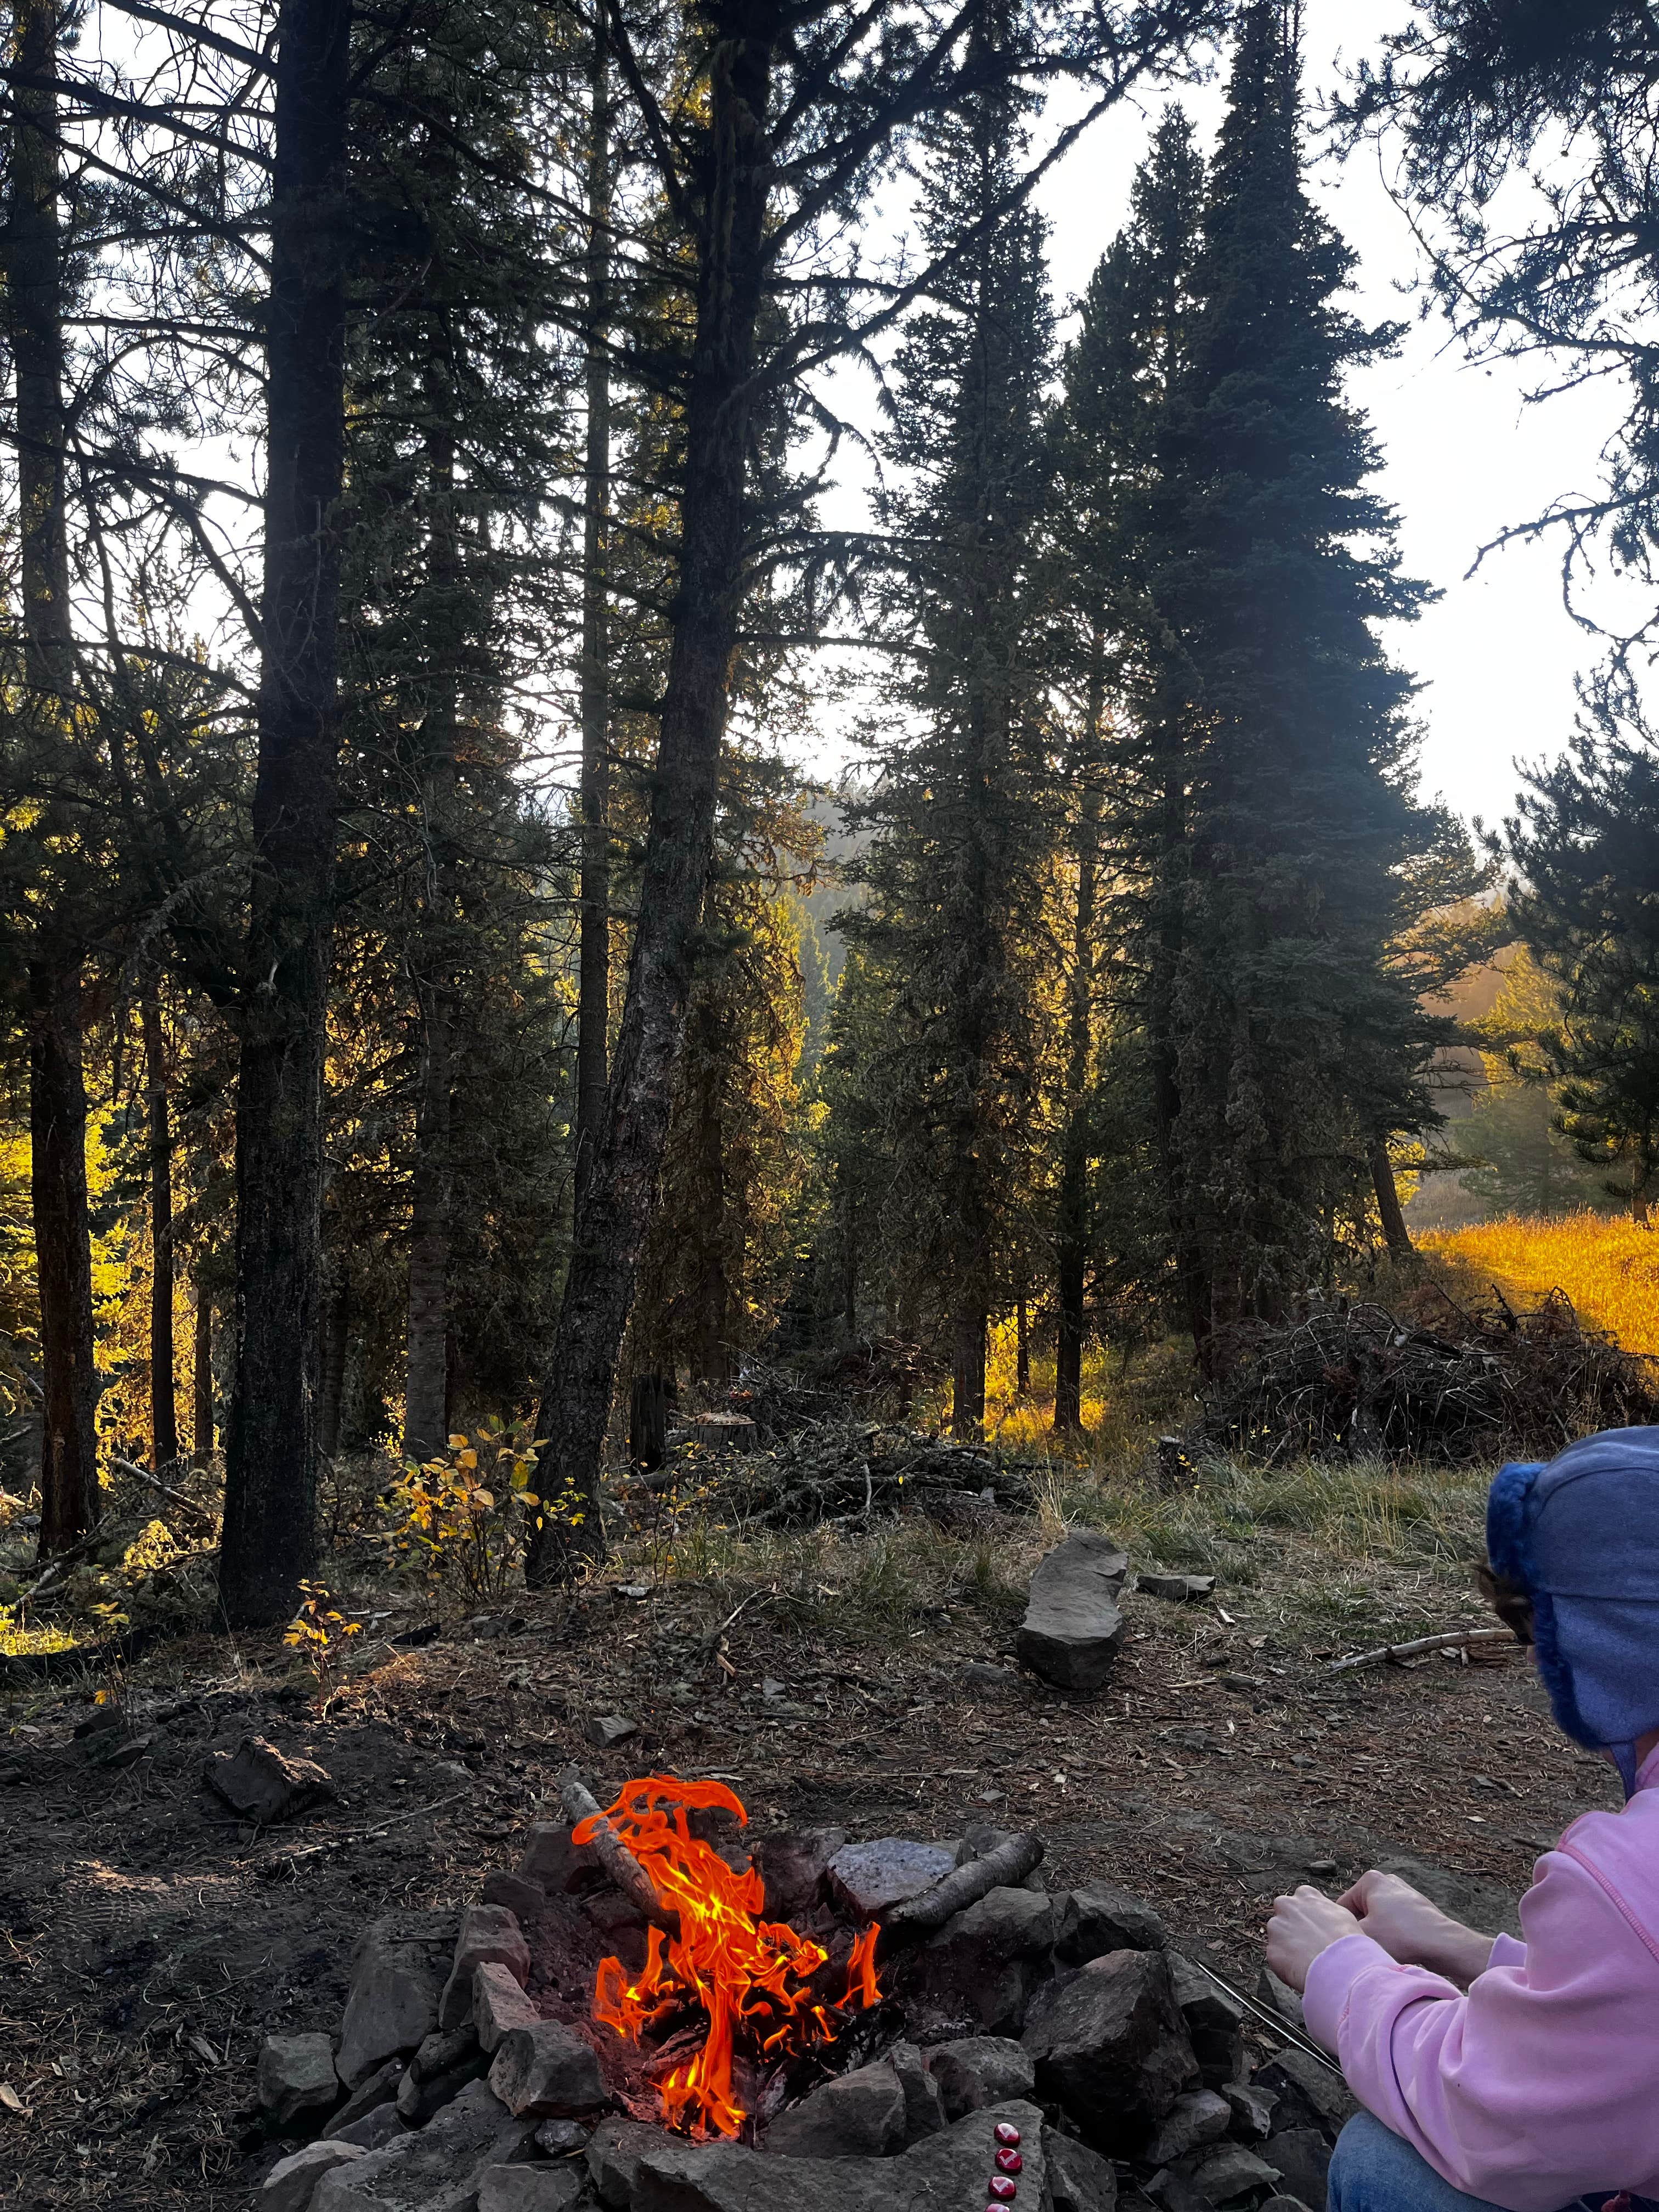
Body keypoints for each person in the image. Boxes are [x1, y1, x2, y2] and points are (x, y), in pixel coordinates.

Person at [1263, 1426, 1659, 2212]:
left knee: (1383, 2166)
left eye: (1537, 1633)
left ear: (1607, 1645)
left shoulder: (1626, 1876)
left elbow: (1491, 2118)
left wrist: (1342, 1968)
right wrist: (1471, 1950)